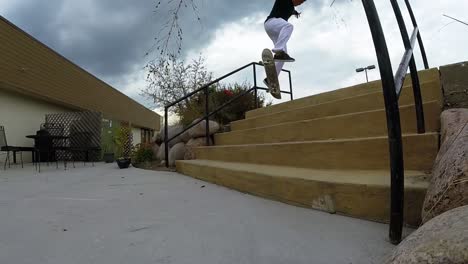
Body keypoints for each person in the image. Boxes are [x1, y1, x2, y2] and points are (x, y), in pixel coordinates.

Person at [263, 0, 306, 88]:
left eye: (302, 3)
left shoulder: (292, 8)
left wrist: (296, 13)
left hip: (276, 30)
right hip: (271, 23)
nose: (300, 3)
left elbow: (293, 10)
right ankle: (278, 50)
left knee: (283, 58)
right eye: (300, 1)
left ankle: (270, 79)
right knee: (288, 26)